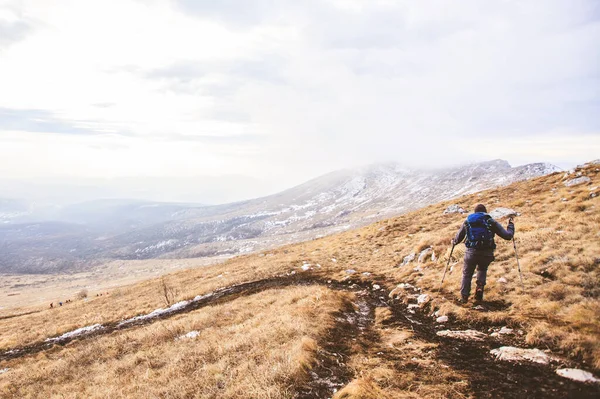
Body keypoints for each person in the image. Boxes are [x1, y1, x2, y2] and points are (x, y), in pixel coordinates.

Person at [452, 204, 514, 303]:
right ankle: (479, 292)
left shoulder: (467, 221)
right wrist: (510, 225)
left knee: (467, 274)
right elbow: (507, 236)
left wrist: (454, 241)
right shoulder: (490, 221)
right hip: (486, 253)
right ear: (485, 212)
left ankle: (464, 297)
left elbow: (458, 238)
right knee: (482, 269)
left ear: (475, 212)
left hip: (471, 253)